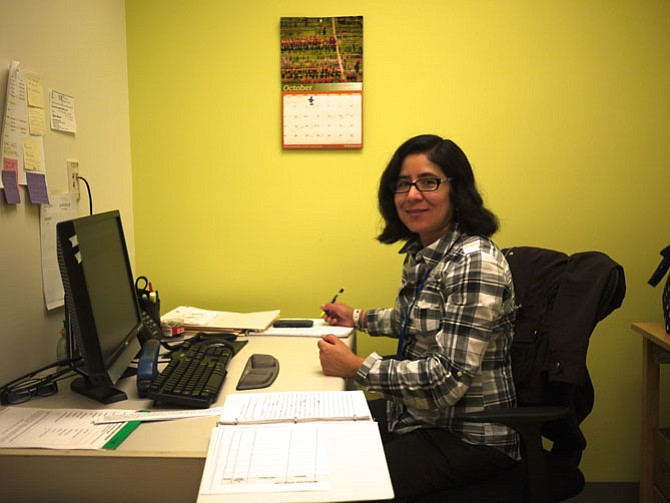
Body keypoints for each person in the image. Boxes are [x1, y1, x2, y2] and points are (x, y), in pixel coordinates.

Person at [318, 134, 520, 501]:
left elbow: (447, 380)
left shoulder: (474, 263)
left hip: (469, 435)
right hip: (419, 417)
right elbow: (412, 319)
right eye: (403, 184)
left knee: (343, 482)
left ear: (456, 190)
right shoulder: (426, 252)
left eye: (428, 182)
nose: (412, 195)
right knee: (324, 435)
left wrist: (356, 367)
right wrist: (357, 317)